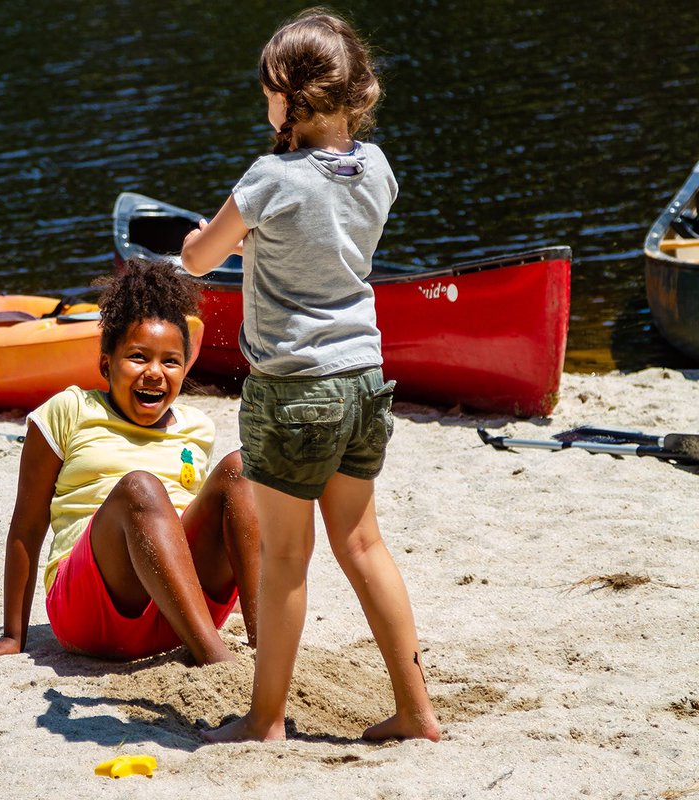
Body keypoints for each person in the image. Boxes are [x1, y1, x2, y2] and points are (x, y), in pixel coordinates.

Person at [179, 8, 441, 742]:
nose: (264, 103)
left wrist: (205, 235)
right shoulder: (378, 168)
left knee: (287, 559)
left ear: (292, 97)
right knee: (364, 546)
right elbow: (325, 235)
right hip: (364, 379)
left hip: (293, 389)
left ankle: (264, 721)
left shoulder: (269, 177)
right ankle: (417, 712)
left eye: (269, 91)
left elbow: (199, 259)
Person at [0, 258, 260, 666]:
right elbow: (27, 526)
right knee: (140, 487)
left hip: (179, 615)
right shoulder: (69, 410)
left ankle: (265, 643)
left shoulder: (197, 427)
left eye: (170, 361)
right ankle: (217, 661)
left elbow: (209, 527)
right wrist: (13, 634)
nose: (155, 372)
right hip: (93, 615)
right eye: (138, 357)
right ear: (106, 364)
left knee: (241, 467)